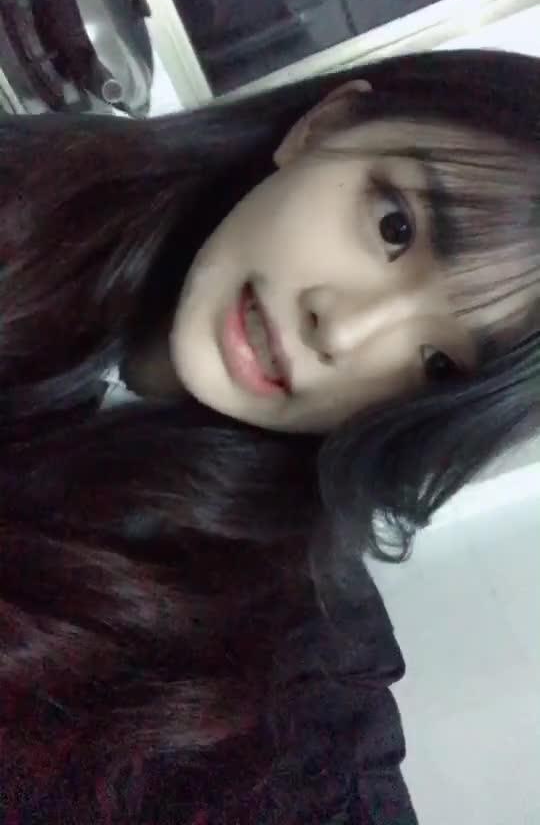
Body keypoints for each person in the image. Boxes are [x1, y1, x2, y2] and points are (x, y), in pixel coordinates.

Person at [0, 48, 539, 822]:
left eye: (437, 364)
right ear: (325, 125)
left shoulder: (288, 672)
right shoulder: (39, 183)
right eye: (395, 227)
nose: (343, 330)